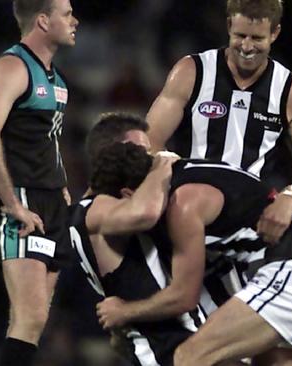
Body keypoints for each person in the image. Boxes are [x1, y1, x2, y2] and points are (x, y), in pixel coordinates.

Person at [93, 142, 292, 366]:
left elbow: (183, 297)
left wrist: (124, 312)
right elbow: (283, 199)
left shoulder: (183, 203)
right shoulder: (186, 171)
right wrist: (290, 196)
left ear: (127, 195)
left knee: (188, 358)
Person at [146, 0, 292, 269]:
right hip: (190, 213)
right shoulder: (192, 72)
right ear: (229, 25)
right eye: (240, 35)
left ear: (274, 33)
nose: (247, 46)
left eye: (257, 38)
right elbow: (150, 139)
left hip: (250, 227)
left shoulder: (291, 93)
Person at [0, 1, 78, 365]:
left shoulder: (54, 78)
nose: (75, 20)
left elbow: (45, 139)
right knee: (29, 317)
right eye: (67, 13)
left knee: (34, 320)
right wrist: (13, 203)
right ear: (43, 21)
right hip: (23, 199)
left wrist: (59, 182)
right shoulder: (12, 67)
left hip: (50, 200)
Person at [70, 112, 199, 366]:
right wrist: (163, 166)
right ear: (111, 154)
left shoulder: (111, 206)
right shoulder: (92, 211)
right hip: (163, 353)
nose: (147, 159)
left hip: (179, 346)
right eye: (140, 151)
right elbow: (145, 213)